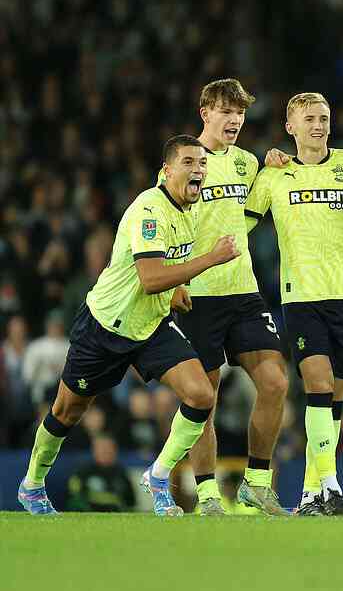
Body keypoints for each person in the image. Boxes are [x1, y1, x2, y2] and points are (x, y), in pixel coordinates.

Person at [17, 135, 239, 516]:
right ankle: (33, 483)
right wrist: (211, 259)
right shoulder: (148, 210)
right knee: (66, 411)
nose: (198, 169)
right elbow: (151, 277)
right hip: (105, 326)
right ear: (167, 170)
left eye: (202, 163)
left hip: (150, 325)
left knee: (201, 395)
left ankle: (158, 475)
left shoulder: (191, 209)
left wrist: (177, 290)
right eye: (189, 162)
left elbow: (164, 272)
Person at [246, 93, 343, 516]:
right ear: (290, 127)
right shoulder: (273, 176)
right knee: (319, 386)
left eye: (324, 117)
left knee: (337, 395)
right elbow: (237, 224)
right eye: (309, 119)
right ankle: (330, 486)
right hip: (302, 298)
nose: (319, 125)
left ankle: (310, 494)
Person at [175, 79, 290, 516]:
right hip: (198, 294)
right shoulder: (184, 161)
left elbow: (256, 209)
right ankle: (206, 494)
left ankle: (256, 482)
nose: (235, 120)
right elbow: (167, 219)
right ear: (205, 112)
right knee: (206, 395)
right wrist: (176, 280)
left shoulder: (246, 163)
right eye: (227, 111)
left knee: (276, 382)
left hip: (243, 291)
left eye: (240, 113)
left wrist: (276, 164)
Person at [65, 435, 136, 512]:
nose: (105, 451)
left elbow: (131, 503)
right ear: (94, 451)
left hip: (116, 518)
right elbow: (74, 499)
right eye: (102, 449)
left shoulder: (121, 473)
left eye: (109, 448)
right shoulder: (83, 472)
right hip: (89, 516)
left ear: (115, 451)